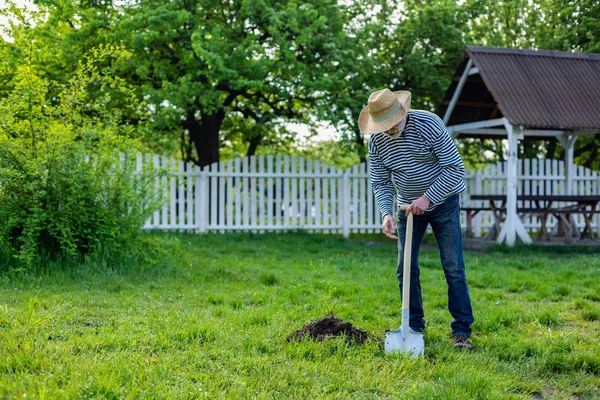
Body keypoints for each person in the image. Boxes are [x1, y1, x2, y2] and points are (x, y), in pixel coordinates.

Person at [359, 88, 474, 350]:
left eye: (391, 124)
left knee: (453, 266)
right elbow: (380, 182)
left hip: (444, 202)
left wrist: (428, 198)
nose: (388, 130)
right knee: (405, 268)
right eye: (382, 126)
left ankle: (461, 331)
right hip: (406, 210)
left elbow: (455, 169)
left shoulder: (429, 124)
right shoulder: (377, 142)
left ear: (403, 112)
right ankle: (413, 326)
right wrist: (387, 212)